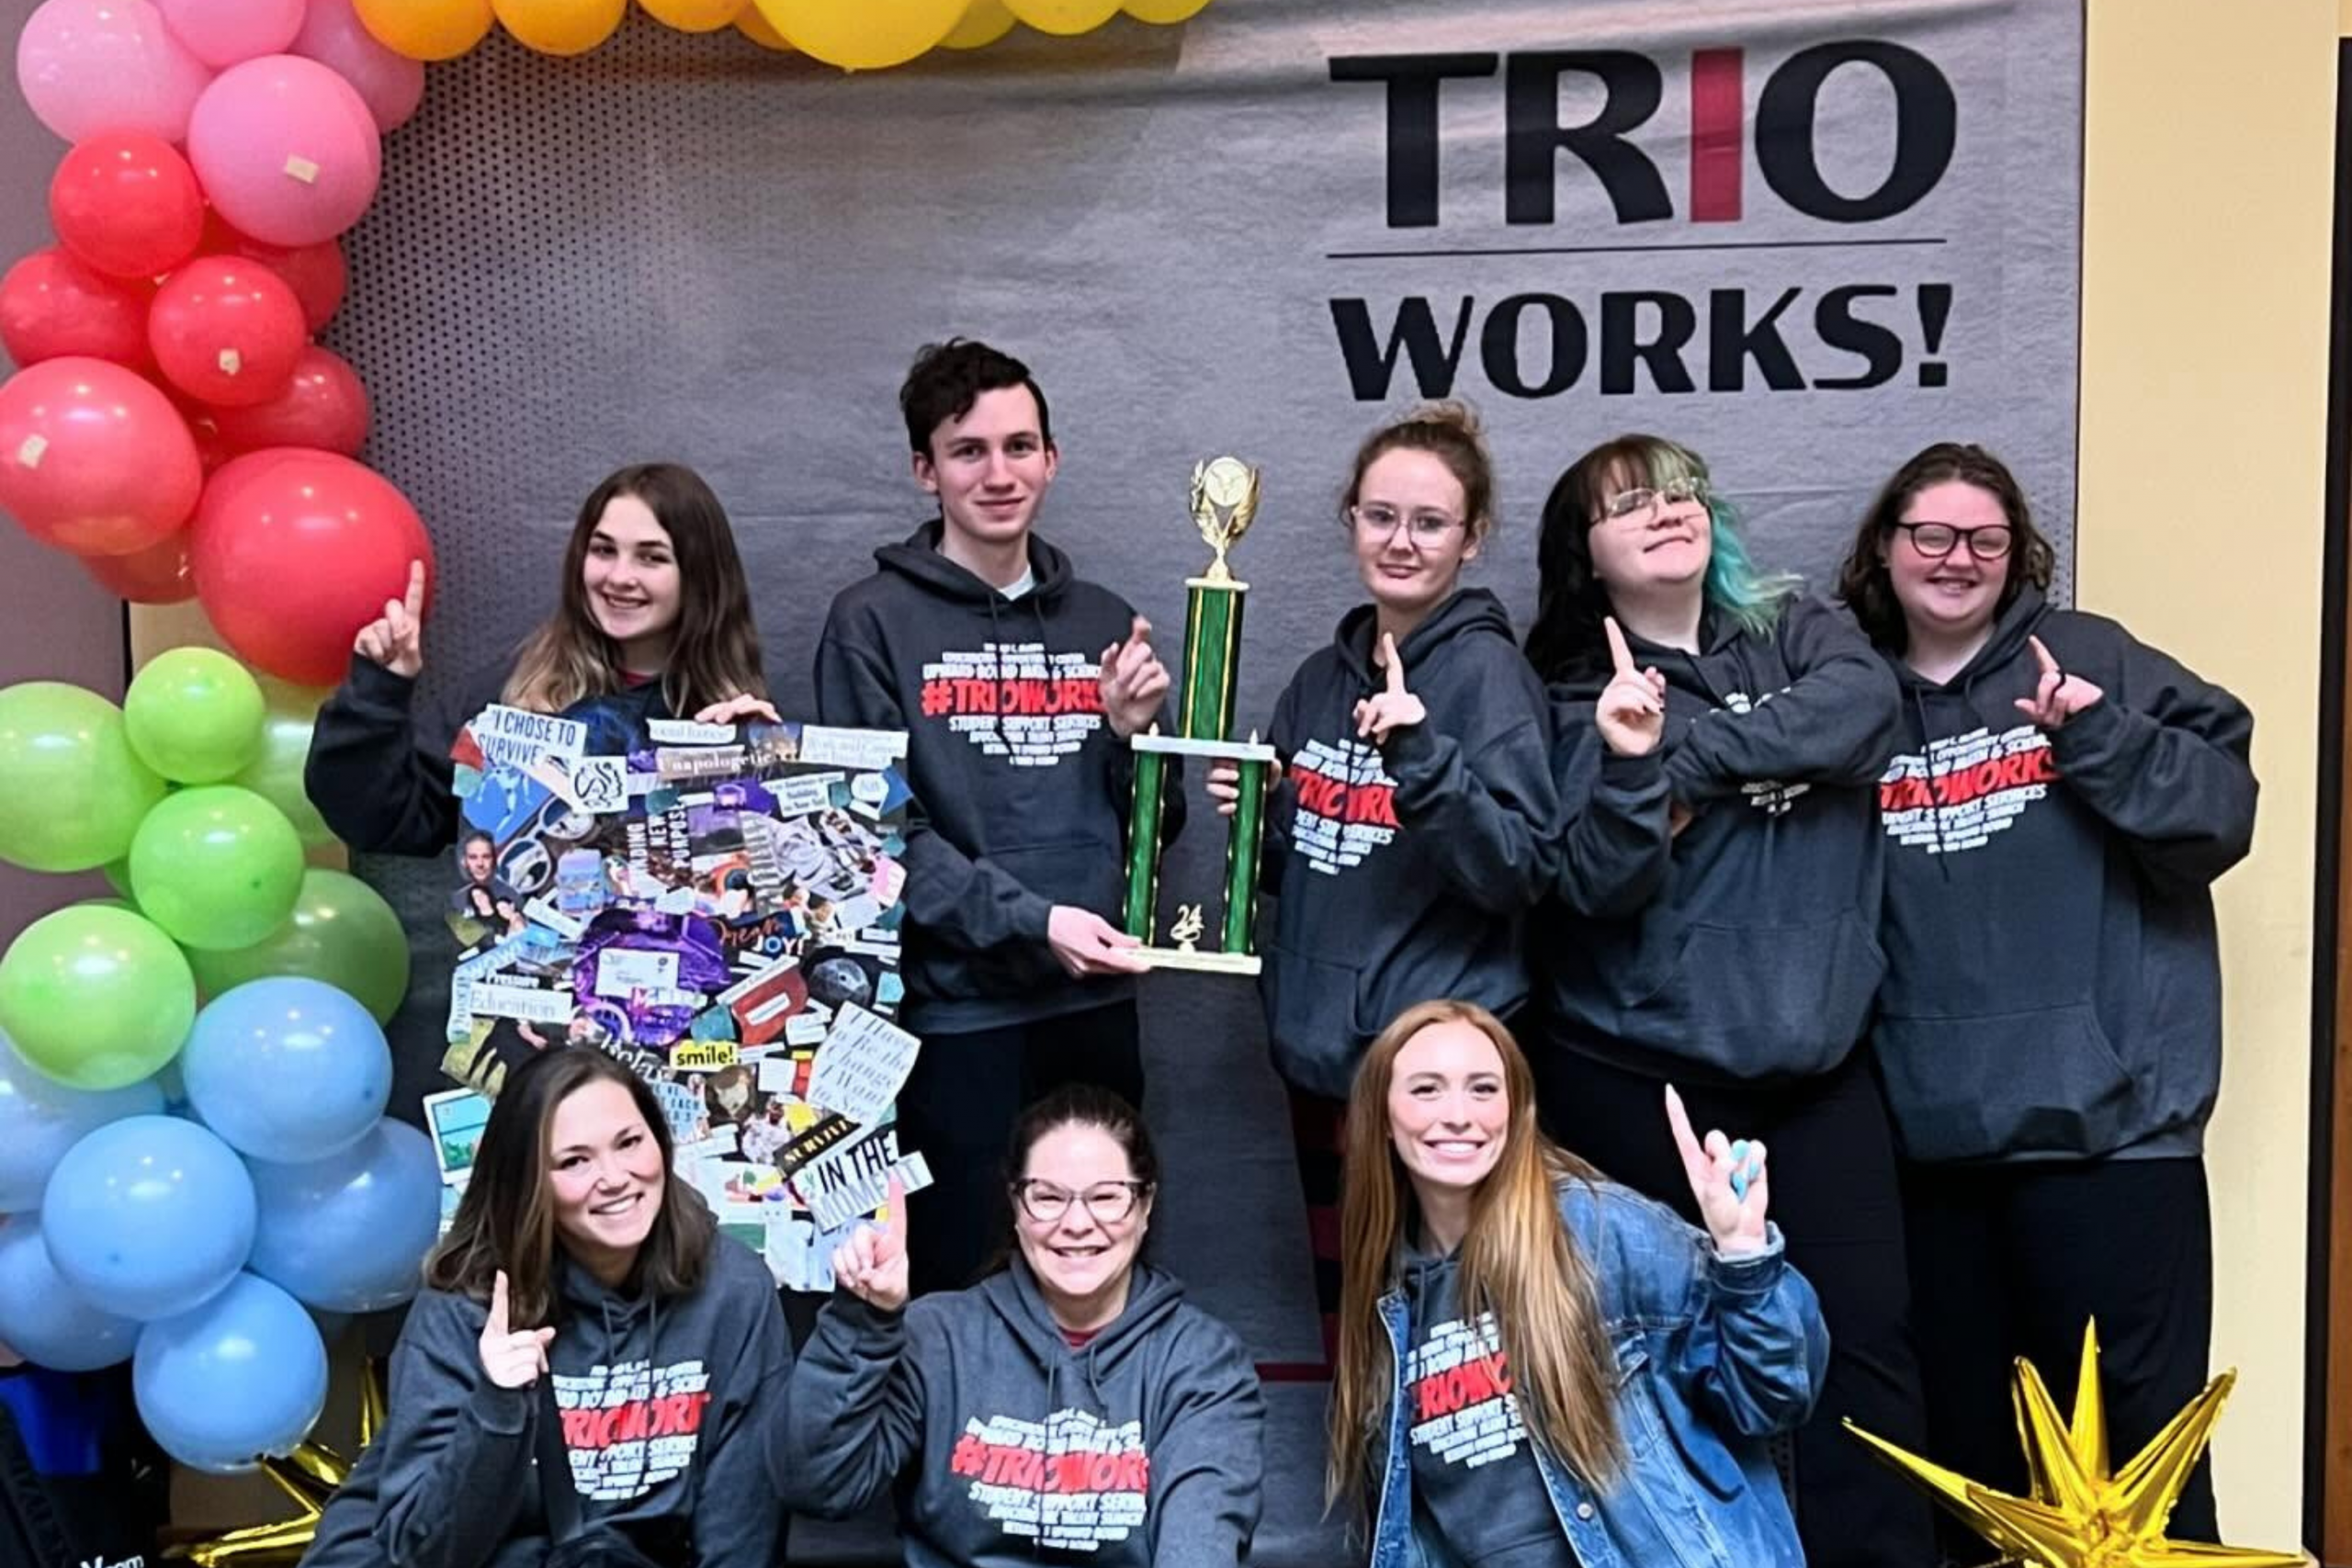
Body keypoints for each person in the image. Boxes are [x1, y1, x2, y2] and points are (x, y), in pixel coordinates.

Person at [1830, 441, 2256, 1551]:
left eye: (1985, 538)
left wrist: (2095, 734)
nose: (1956, 558)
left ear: (2018, 554)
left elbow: (2220, 816)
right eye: (1930, 534)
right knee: (1975, 1481)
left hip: (2111, 1144)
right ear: (1886, 547)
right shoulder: (1847, 701)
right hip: (1934, 1153)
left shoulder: (2087, 656)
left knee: (2142, 1476)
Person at [1521, 434, 1932, 1568]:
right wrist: (1625, 765)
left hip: (1819, 1071)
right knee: (1657, 1369)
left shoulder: (1801, 632)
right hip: (1635, 1081)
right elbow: (1600, 884)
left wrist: (1686, 762)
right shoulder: (1561, 700)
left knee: (1865, 1361)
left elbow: (1860, 714)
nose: (1666, 512)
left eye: (1682, 491)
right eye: (1628, 506)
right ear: (1585, 557)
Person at [813, 340, 1178, 1294]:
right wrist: (1031, 922)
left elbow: (1157, 834)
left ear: (1052, 459)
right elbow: (878, 841)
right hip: (955, 1021)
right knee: (958, 1290)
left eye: (1020, 446)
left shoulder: (1105, 620)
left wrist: (1133, 741)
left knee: (1098, 1285)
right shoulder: (871, 624)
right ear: (924, 470)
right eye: (968, 450)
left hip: (1093, 1014)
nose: (999, 472)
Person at [1207, 400, 1555, 1362]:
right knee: (1357, 1336)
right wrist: (1263, 821)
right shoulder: (1323, 677)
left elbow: (1521, 868)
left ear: (1473, 540)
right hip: (1323, 1065)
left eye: (1429, 522)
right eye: (1379, 516)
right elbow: (1320, 867)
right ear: (1349, 519)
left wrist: (1423, 757)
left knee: (1453, 1347)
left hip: (1432, 1080)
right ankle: (1373, 1520)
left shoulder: (1488, 680)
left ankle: (1452, 1521)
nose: (1400, 542)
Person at [1329, 999, 1826, 1568]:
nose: (1459, 1114)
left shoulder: (1595, 1230)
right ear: (1384, 1120)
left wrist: (1743, 1255)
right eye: (1426, 1090)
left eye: (1484, 1089)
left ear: (1516, 1113)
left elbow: (1773, 1399)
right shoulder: (1389, 1303)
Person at [779, 1085, 1264, 1567]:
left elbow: (1201, 1545)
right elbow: (819, 1485)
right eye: (1048, 1197)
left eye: (1106, 1197)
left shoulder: (1201, 1362)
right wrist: (864, 1320)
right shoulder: (940, 1337)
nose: (1077, 1222)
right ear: (1016, 1206)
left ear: (1145, 1206)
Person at [364, 1047, 791, 1567]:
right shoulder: (465, 1306)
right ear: (528, 1183)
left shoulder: (733, 1290)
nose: (614, 1177)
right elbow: (423, 1554)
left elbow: (742, 1527)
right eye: (574, 1161)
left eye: (629, 1142)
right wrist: (497, 1408)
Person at [307, 461, 774, 859]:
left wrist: (764, 768)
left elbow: (770, 895)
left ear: (698, 576)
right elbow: (382, 821)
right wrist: (376, 692)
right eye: (603, 550)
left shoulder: (726, 718)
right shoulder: (508, 696)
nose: (619, 576)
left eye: (651, 558)